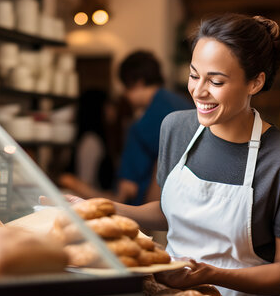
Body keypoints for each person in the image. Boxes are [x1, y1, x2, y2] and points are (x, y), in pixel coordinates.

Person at [108, 13, 280, 296]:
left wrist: (211, 274)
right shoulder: (175, 128)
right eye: (194, 76)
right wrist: (103, 209)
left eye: (215, 81)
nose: (198, 91)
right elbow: (172, 211)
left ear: (255, 83)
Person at [59, 51, 193, 205]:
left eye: (125, 88)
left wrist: (76, 186)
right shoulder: (183, 105)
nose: (125, 96)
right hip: (187, 202)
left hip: (151, 211)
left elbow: (127, 190)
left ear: (137, 83)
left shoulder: (142, 125)